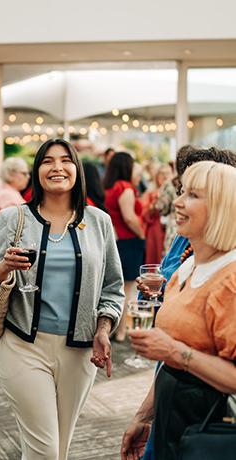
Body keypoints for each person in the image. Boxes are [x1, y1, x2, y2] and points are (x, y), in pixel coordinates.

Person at [0, 138, 125, 460]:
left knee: (59, 448)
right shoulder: (13, 218)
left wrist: (103, 328)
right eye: (47, 160)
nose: (57, 167)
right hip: (24, 348)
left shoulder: (99, 222)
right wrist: (3, 268)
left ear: (77, 169)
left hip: (80, 352)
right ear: (37, 170)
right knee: (44, 451)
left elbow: (113, 287)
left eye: (65, 160)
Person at [121, 160, 236, 460]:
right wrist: (145, 415)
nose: (178, 202)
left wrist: (173, 351)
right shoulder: (185, 268)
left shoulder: (231, 279)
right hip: (173, 422)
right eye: (182, 192)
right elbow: (169, 365)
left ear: (222, 207)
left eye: (194, 195)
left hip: (212, 427)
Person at [104, 152, 145, 341]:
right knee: (127, 289)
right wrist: (142, 233)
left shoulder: (109, 188)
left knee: (117, 287)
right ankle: (121, 331)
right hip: (129, 241)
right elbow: (129, 217)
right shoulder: (125, 188)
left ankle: (115, 329)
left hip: (117, 240)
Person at [142, 164, 173, 264]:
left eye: (167, 173)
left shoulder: (176, 191)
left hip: (170, 230)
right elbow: (144, 214)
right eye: (162, 174)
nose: (165, 176)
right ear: (157, 176)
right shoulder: (150, 192)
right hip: (155, 231)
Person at [0, 156, 30, 234]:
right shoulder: (7, 196)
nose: (28, 177)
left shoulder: (7, 191)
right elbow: (13, 229)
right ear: (11, 174)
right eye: (24, 173)